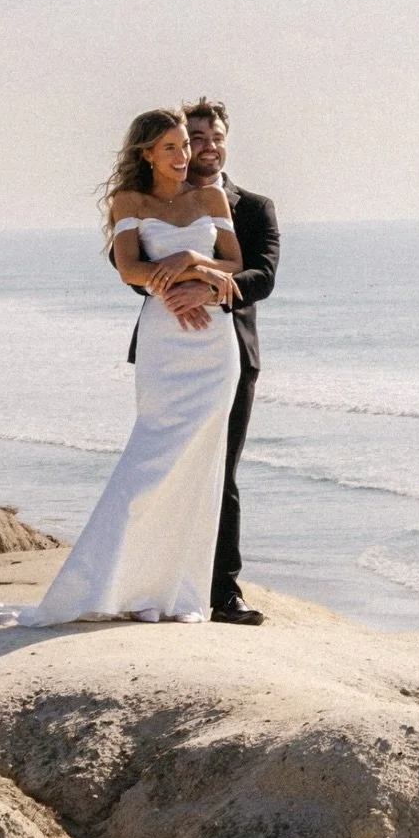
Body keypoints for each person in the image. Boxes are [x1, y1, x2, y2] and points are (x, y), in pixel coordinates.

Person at [0, 108, 244, 626]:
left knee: (201, 465)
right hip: (167, 338)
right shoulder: (128, 201)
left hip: (215, 343)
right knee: (150, 460)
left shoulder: (211, 198)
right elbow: (129, 267)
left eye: (185, 147)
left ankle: (173, 591)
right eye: (170, 147)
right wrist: (172, 285)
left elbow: (234, 264)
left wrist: (194, 261)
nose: (183, 155)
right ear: (146, 153)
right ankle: (106, 582)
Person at [139, 98, 279, 625]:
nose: (209, 146)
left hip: (229, 354)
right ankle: (153, 578)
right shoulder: (150, 200)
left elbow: (262, 276)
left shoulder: (253, 206)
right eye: (196, 137)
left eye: (216, 135)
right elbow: (128, 267)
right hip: (167, 352)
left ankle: (222, 591)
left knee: (222, 470)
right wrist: (183, 280)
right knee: (160, 462)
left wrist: (209, 290)